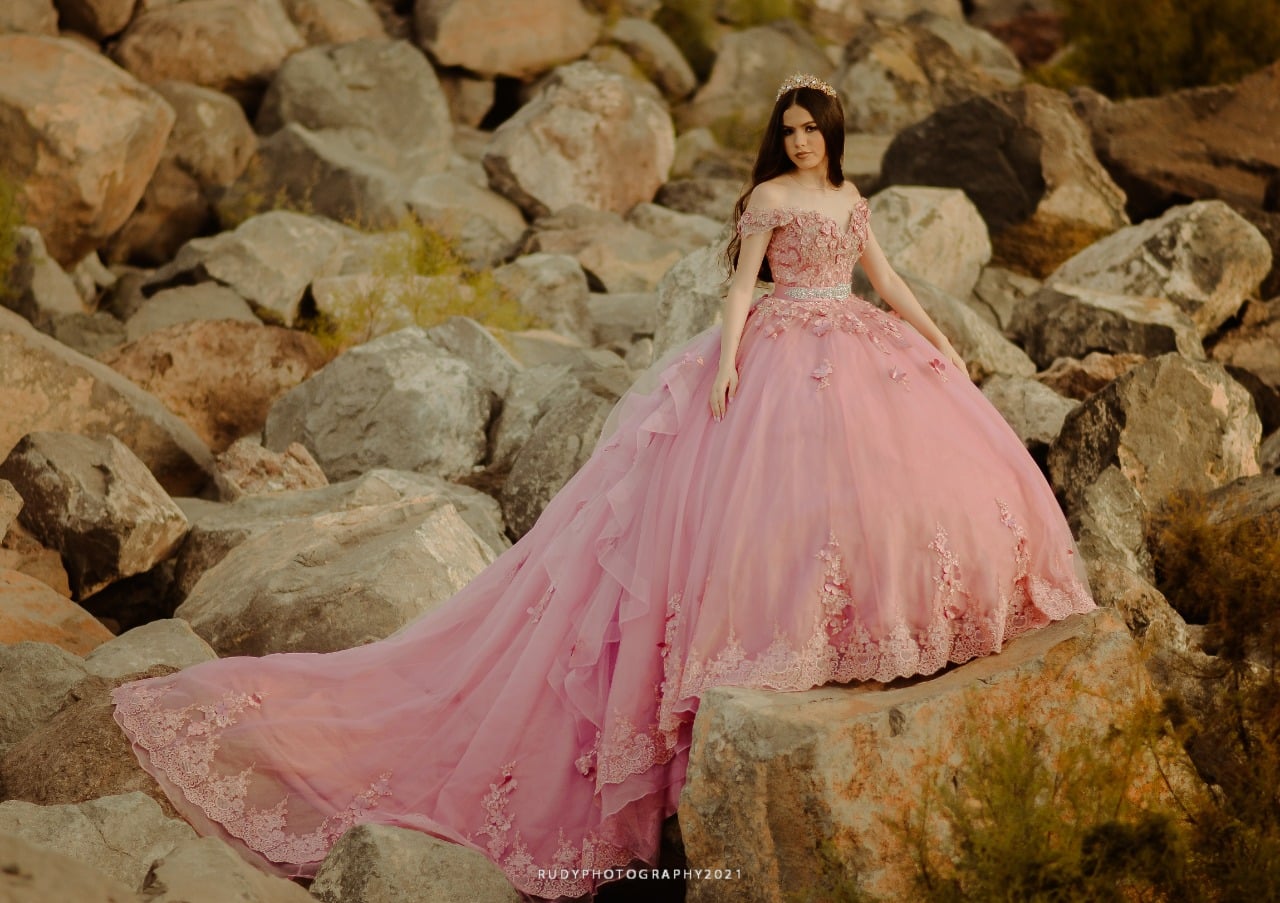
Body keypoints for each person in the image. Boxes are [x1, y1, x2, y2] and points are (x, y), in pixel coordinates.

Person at [111, 74, 1095, 900]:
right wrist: (723, 364)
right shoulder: (768, 203)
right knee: (745, 510)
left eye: (809, 129)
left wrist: (939, 342)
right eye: (787, 128)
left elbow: (887, 281)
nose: (797, 141)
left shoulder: (847, 203)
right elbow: (739, 288)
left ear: (830, 136)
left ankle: (870, 623)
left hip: (852, 346)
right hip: (777, 356)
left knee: (879, 489)